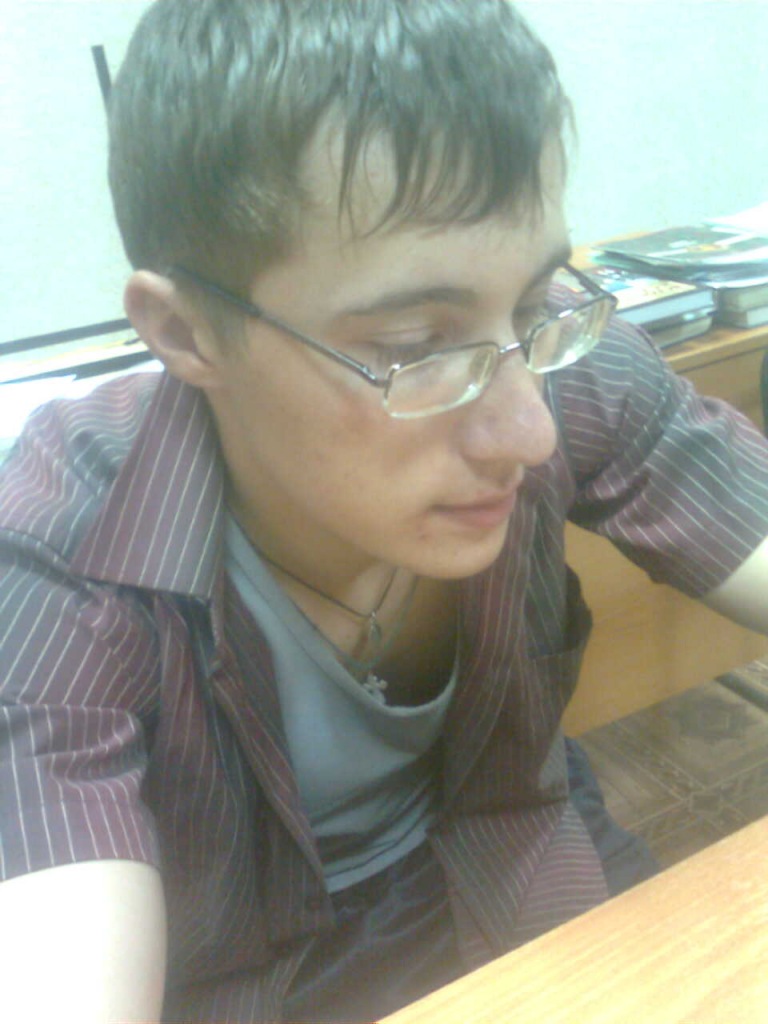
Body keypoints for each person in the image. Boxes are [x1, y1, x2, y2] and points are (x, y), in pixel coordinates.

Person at [1, 1, 767, 1021]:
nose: (530, 431)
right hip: (250, 980)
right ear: (187, 333)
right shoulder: (58, 555)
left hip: (528, 884)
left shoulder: (556, 370)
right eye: (414, 348)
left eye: (532, 304)